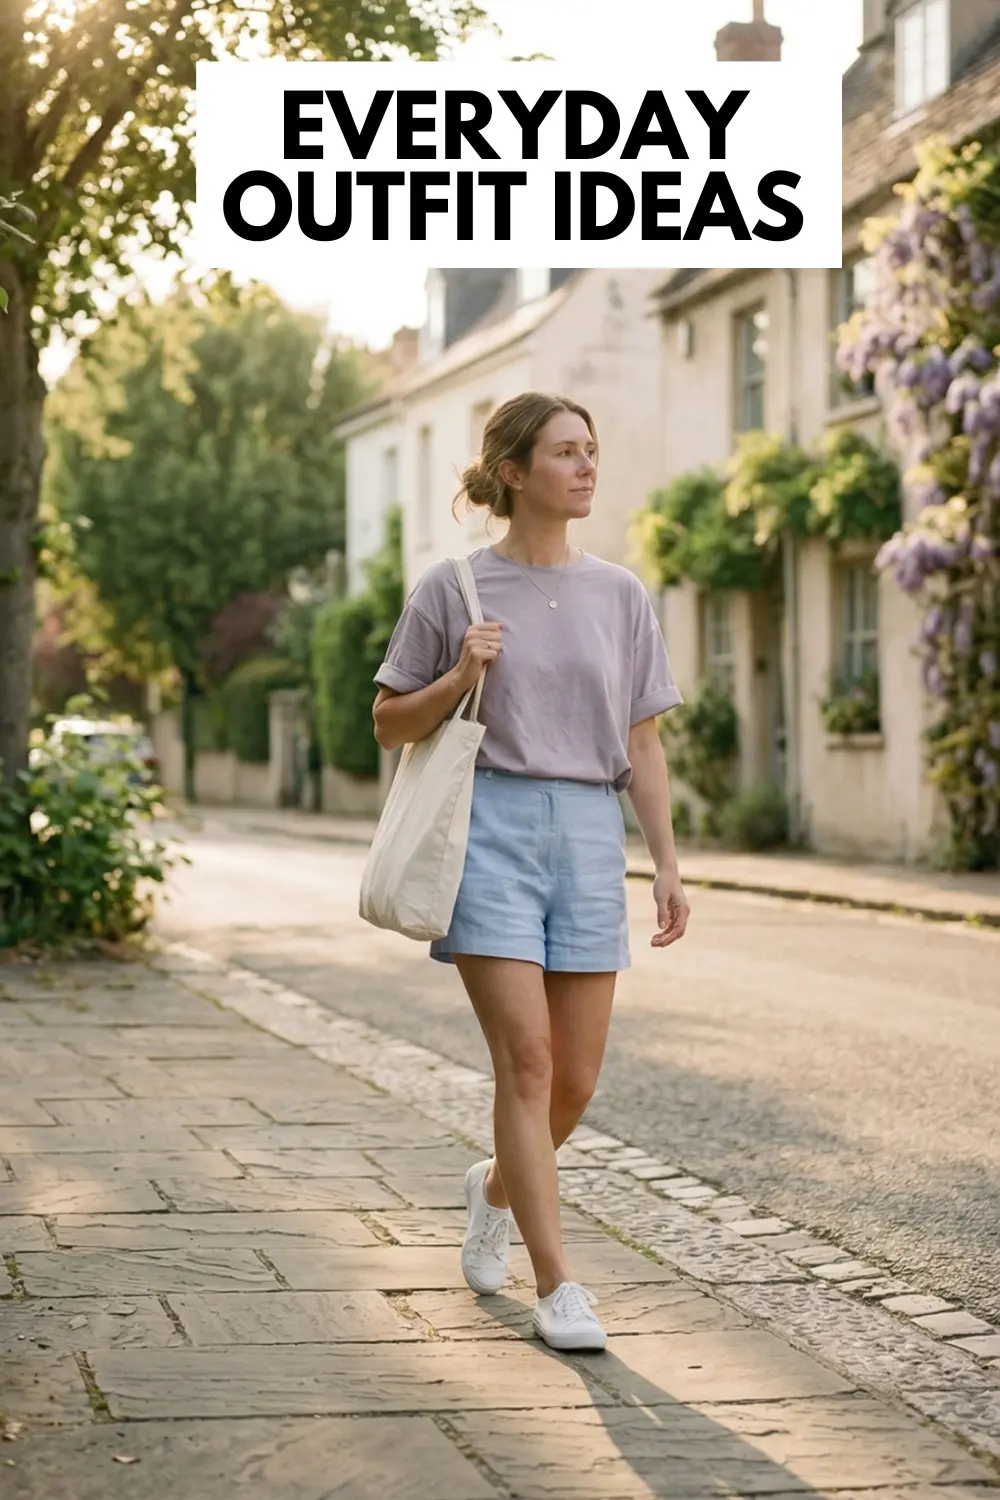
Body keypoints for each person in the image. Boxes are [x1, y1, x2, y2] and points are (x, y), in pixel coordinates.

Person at [371, 391, 690, 1353]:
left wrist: (667, 864)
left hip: (591, 835)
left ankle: (496, 1189)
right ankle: (558, 1286)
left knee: (577, 1082)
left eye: (592, 450)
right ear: (514, 473)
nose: (587, 467)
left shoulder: (621, 593)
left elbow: (642, 740)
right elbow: (388, 723)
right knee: (528, 1059)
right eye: (565, 452)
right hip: (490, 829)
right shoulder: (453, 590)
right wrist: (460, 676)